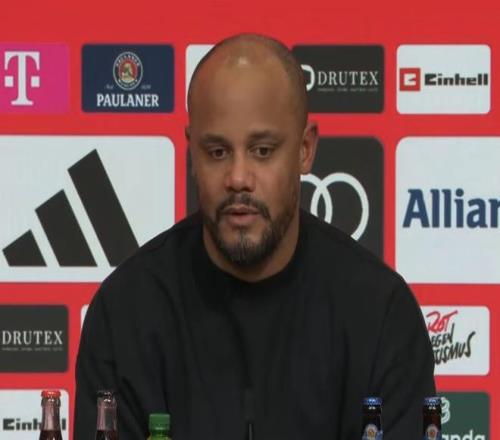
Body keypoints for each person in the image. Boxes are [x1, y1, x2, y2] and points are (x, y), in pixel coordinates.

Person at [75, 33, 435, 440]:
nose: (238, 178)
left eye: (262, 150)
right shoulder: (125, 312)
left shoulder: (380, 313)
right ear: (192, 152)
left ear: (305, 149)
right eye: (217, 152)